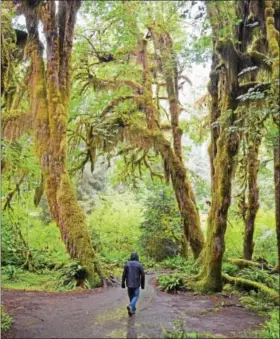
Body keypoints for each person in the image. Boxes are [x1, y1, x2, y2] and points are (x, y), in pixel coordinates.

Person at [122, 252, 145, 316]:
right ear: (137, 257)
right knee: (136, 296)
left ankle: (132, 310)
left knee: (131, 297)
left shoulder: (127, 264)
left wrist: (123, 283)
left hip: (129, 284)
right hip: (136, 284)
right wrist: (142, 285)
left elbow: (124, 275)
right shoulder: (139, 264)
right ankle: (131, 306)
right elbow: (143, 275)